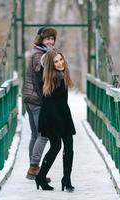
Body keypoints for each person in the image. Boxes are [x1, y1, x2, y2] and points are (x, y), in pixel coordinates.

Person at [35, 48, 76, 192]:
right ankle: (40, 177)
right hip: (52, 117)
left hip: (63, 114)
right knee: (56, 147)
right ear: (51, 65)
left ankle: (67, 179)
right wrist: (57, 122)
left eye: (61, 59)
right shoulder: (50, 78)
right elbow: (48, 104)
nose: (60, 63)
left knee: (69, 148)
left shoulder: (62, 74)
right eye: (56, 61)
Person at [22, 27, 57, 180]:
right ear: (41, 40)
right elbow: (40, 75)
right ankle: (34, 168)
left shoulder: (39, 53)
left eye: (52, 38)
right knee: (44, 134)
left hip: (30, 98)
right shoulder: (39, 55)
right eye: (47, 38)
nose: (50, 41)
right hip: (36, 100)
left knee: (36, 134)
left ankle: (33, 169)